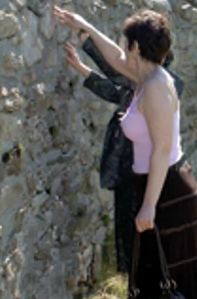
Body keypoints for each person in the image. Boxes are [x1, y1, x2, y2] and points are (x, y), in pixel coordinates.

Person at [54, 6, 197, 299]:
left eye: (126, 40)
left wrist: (149, 205)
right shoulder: (146, 75)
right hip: (160, 184)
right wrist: (86, 26)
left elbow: (161, 149)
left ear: (136, 47)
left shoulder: (156, 87)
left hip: (167, 189)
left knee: (172, 280)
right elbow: (115, 57)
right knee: (155, 278)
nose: (123, 46)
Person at [63, 35, 185, 274]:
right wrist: (81, 67)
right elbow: (114, 90)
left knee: (147, 232)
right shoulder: (142, 83)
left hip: (150, 171)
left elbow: (117, 74)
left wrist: (90, 40)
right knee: (127, 224)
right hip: (129, 165)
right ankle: (133, 275)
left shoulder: (166, 83)